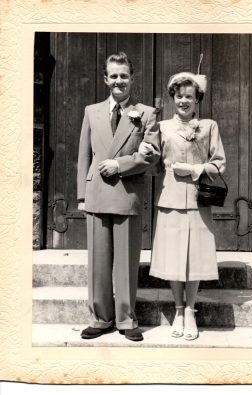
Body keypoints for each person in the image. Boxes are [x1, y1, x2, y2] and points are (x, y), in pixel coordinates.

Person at [77, 52, 160, 341]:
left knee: (126, 261)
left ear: (132, 79)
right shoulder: (92, 111)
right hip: (97, 193)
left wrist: (119, 165)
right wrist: (80, 195)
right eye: (113, 75)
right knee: (98, 261)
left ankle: (126, 319)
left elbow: (152, 156)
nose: (118, 81)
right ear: (105, 79)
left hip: (127, 193)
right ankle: (101, 318)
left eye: (124, 75)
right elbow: (84, 155)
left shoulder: (147, 113)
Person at [142, 72, 226, 340]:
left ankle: (191, 310)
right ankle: (178, 309)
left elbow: (218, 164)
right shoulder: (163, 127)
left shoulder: (209, 126)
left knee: (195, 258)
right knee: (174, 257)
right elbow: (153, 166)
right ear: (173, 97)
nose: (184, 100)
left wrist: (194, 168)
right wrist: (148, 154)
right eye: (179, 96)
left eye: (189, 96)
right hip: (170, 199)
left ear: (197, 98)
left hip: (198, 201)